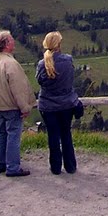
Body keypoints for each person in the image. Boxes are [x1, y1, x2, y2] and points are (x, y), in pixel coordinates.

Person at [0, 29, 33, 177]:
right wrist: (25, 107)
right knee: (13, 136)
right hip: (11, 107)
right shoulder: (11, 64)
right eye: (11, 39)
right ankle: (13, 167)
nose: (14, 41)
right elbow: (19, 89)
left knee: (1, 133)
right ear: (6, 44)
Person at [36, 31, 79, 175]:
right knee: (66, 133)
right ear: (59, 44)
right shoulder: (67, 60)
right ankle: (70, 166)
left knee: (53, 136)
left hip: (48, 106)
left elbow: (40, 82)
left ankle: (55, 167)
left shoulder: (42, 64)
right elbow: (70, 79)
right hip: (66, 105)